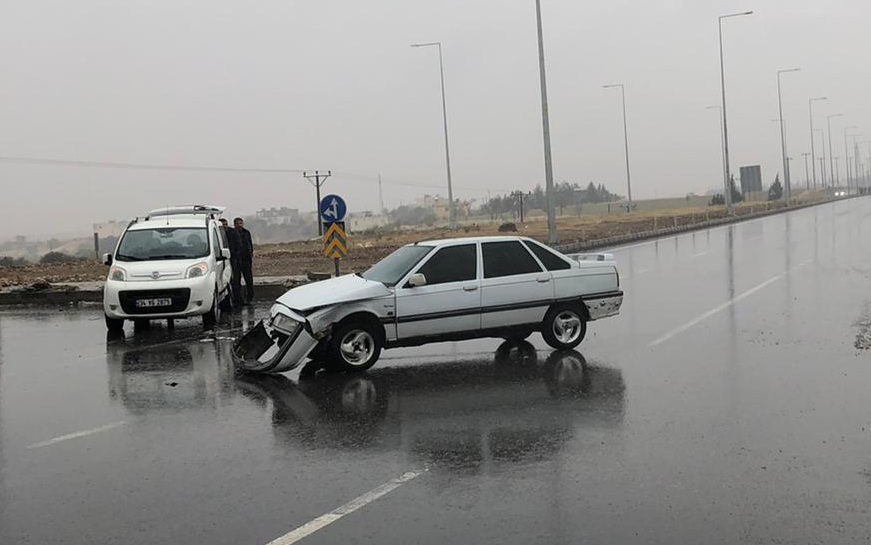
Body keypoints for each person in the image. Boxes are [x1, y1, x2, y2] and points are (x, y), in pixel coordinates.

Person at [220, 219, 243, 308]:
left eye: (226, 224)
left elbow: (239, 245)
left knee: (235, 281)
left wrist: (234, 257)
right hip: (222, 259)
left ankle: (238, 301)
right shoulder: (218, 234)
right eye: (223, 225)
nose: (225, 226)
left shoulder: (233, 232)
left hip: (233, 259)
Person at [233, 217, 255, 304]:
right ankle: (239, 299)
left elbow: (249, 244)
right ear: (234, 224)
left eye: (240, 223)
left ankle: (249, 297)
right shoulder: (232, 233)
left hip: (246, 259)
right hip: (236, 260)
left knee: (249, 280)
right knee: (236, 281)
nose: (239, 225)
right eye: (237, 224)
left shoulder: (246, 232)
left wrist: (250, 254)